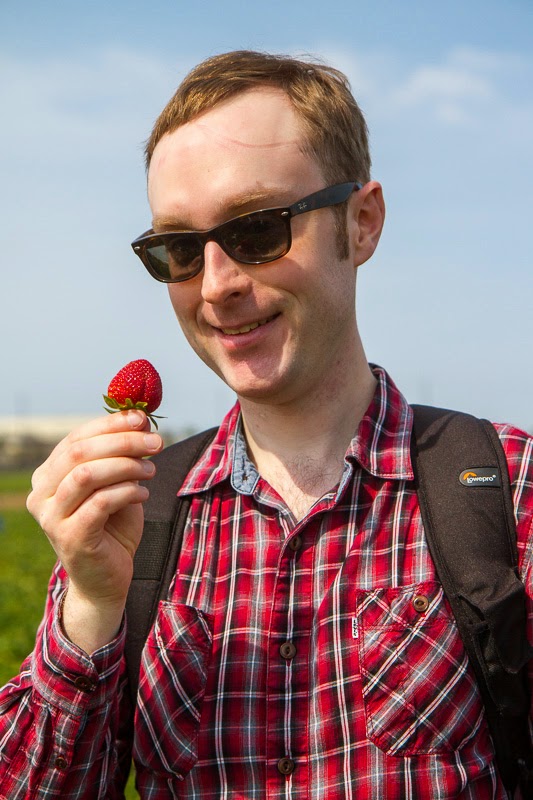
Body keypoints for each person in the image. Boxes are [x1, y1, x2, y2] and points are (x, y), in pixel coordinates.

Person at [0, 49, 531, 800]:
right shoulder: (137, 514)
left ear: (362, 222)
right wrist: (90, 607)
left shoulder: (506, 485)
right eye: (179, 249)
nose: (216, 285)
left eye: (257, 230)